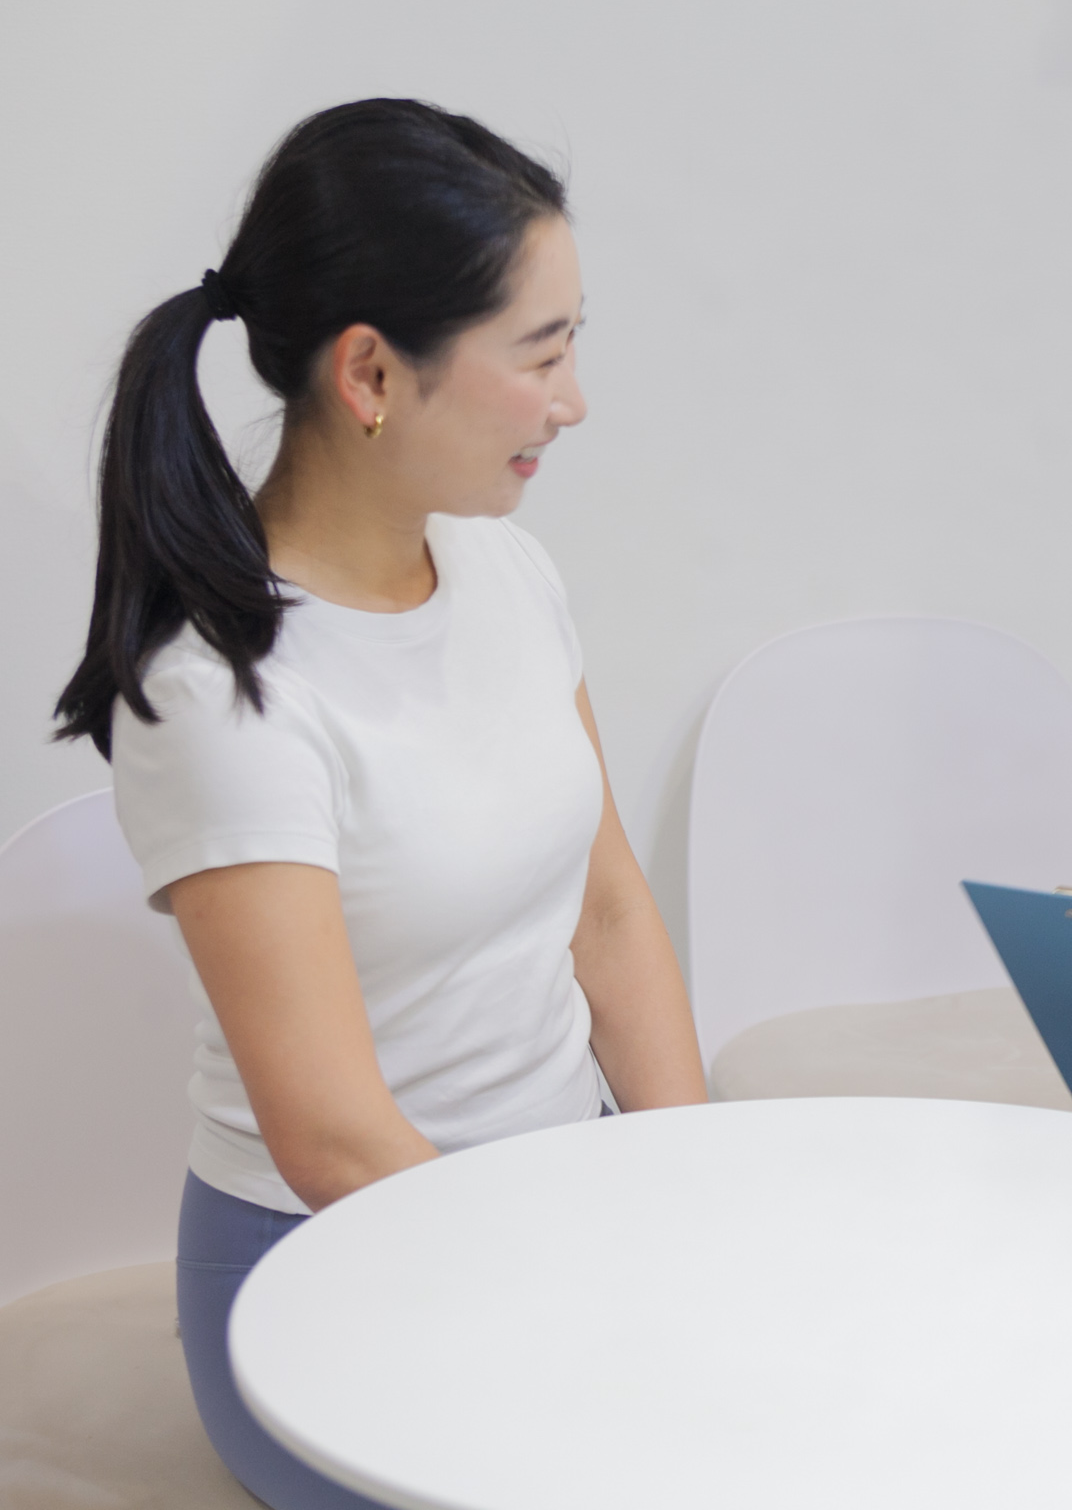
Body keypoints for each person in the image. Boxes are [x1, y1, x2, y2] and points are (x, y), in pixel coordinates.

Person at [53, 99, 706, 1510]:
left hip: (545, 1213)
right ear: (369, 374)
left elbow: (607, 915)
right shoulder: (225, 696)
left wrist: (690, 1196)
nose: (574, 399)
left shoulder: (506, 578)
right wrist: (578, 1316)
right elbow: (334, 1135)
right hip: (335, 1270)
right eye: (542, 351)